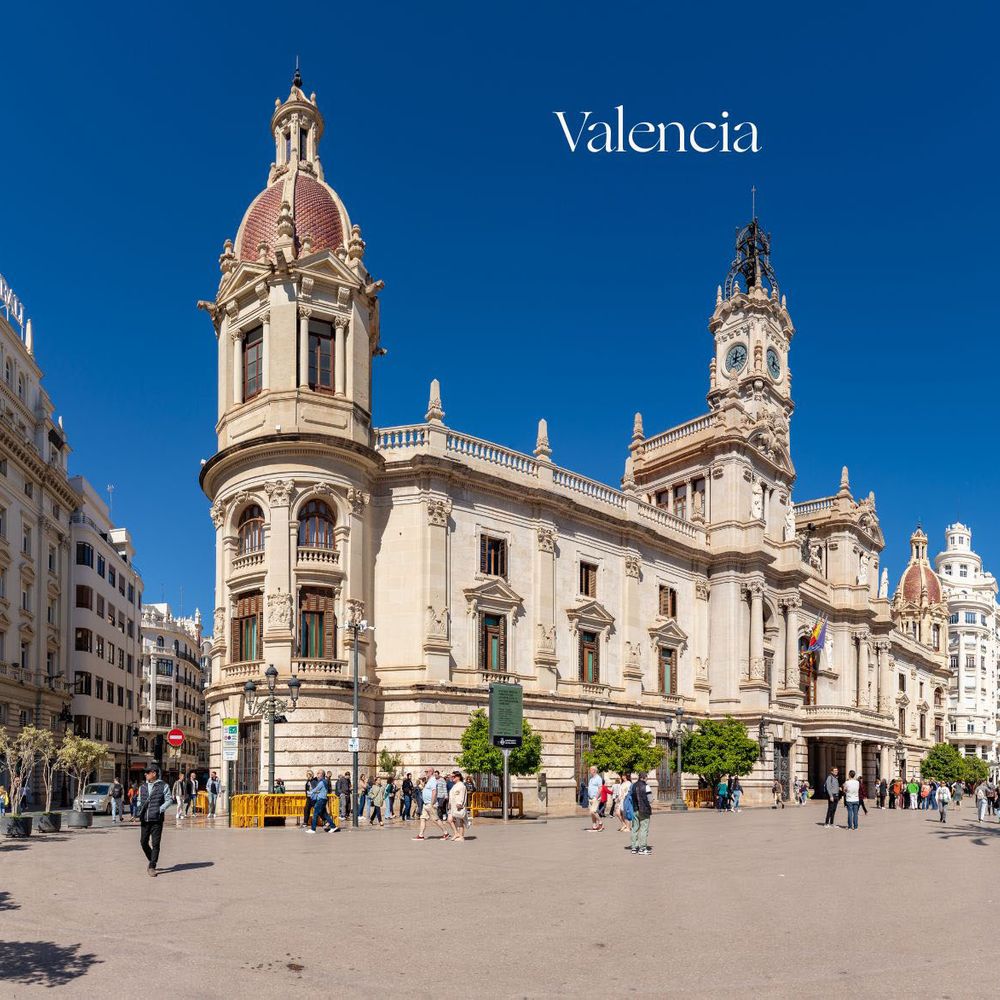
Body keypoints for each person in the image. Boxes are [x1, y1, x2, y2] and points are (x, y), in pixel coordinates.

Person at [136, 764, 173, 876]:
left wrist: (160, 809)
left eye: (148, 772)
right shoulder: (142, 787)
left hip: (156, 819)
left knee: (156, 843)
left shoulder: (163, 786)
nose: (145, 774)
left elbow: (169, 800)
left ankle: (152, 866)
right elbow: (139, 800)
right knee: (143, 842)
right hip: (145, 819)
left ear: (154, 773)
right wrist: (139, 806)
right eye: (145, 772)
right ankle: (152, 858)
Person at [414, 767, 448, 840]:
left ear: (431, 772)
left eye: (426, 771)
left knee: (435, 819)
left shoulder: (433, 780)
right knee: (422, 818)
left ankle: (445, 833)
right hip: (426, 803)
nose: (425, 773)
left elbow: (434, 792)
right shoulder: (429, 780)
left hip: (430, 803)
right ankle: (421, 835)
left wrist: (432, 804)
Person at [630, 771, 652, 856]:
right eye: (646, 777)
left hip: (635, 809)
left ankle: (634, 847)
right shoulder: (646, 786)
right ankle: (642, 848)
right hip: (644, 810)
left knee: (635, 828)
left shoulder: (633, 786)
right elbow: (650, 799)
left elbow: (631, 797)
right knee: (644, 828)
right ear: (644, 777)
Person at [447, 771, 468, 841]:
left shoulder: (461, 785)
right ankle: (456, 833)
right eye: (451, 776)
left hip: (458, 806)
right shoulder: (455, 785)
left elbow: (461, 795)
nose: (452, 778)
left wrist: (460, 803)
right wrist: (449, 803)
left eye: (453, 777)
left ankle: (461, 837)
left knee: (460, 821)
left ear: (458, 777)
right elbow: (452, 795)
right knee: (450, 820)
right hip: (452, 806)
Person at [587, 766, 604, 832]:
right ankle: (594, 826)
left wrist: (596, 797)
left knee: (593, 811)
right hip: (590, 798)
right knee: (592, 813)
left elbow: (600, 788)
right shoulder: (591, 779)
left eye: (590, 770)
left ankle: (600, 823)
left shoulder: (598, 778)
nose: (590, 771)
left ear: (594, 770)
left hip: (596, 798)